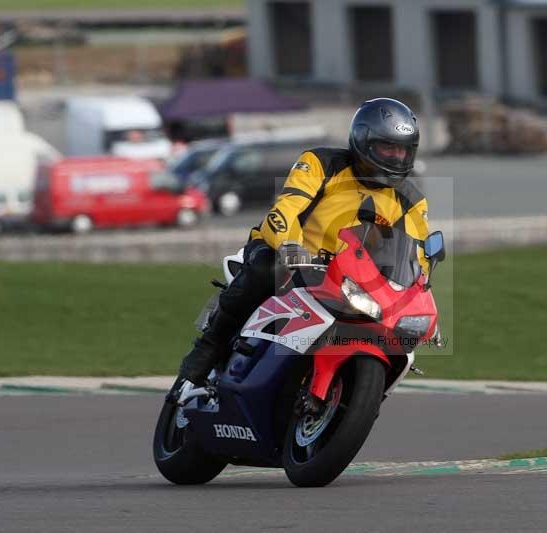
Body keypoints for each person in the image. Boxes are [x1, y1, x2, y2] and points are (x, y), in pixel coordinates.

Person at [171, 98, 430, 402]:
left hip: (350, 281)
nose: (396, 157)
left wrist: (416, 288)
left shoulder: (412, 200)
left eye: (403, 150)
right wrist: (291, 248)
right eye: (388, 148)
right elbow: (285, 210)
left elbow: (417, 254)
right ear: (363, 140)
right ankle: (209, 346)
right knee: (265, 267)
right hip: (292, 257)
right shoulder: (322, 163)